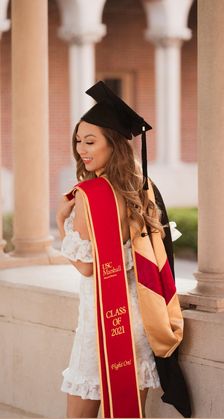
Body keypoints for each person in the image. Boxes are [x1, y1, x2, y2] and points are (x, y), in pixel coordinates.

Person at [56, 81, 191, 419]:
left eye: (90, 141)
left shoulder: (91, 194)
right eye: (78, 141)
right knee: (129, 411)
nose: (81, 149)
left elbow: (88, 267)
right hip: (138, 317)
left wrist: (61, 223)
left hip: (102, 319)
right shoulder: (142, 188)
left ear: (113, 145)